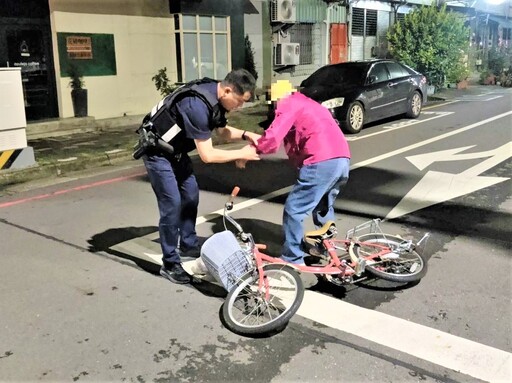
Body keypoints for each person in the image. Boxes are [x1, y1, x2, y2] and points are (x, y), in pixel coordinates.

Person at [141, 69, 260, 284]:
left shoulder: (215, 97)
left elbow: (222, 132)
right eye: (240, 101)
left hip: (175, 151)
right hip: (157, 152)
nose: (240, 107)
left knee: (191, 194)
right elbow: (208, 155)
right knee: (172, 204)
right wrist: (242, 153)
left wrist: (246, 134)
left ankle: (187, 243)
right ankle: (170, 263)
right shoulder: (196, 106)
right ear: (227, 90)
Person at [249, 80, 351, 265]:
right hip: (342, 159)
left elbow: (272, 138)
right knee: (323, 206)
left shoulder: (288, 103)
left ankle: (293, 258)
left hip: (321, 160)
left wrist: (254, 149)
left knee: (294, 209)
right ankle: (327, 249)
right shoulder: (310, 104)